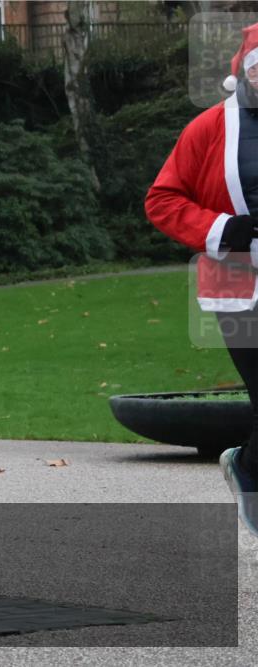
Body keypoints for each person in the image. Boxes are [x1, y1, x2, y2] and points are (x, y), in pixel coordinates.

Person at [145, 23, 258, 535]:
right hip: (238, 289)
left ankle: (248, 471)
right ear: (245, 71)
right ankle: (247, 472)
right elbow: (162, 199)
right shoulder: (210, 128)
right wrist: (223, 228)